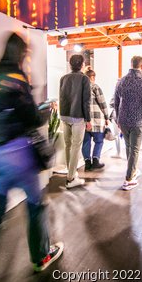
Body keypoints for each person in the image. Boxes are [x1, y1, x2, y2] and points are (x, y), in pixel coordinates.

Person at [0, 33, 63, 282]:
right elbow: (32, 119)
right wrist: (46, 107)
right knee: (36, 204)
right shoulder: (17, 79)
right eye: (26, 53)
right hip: (18, 153)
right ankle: (41, 256)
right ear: (20, 53)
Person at [114, 55, 142, 191]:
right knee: (135, 150)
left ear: (131, 64)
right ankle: (128, 179)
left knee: (129, 148)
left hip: (123, 121)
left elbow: (116, 102)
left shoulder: (121, 82)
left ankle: (133, 170)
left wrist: (118, 119)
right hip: (138, 121)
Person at [59, 54, 92, 188]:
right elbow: (86, 101)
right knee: (76, 146)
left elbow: (62, 97)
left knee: (68, 145)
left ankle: (71, 173)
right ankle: (71, 178)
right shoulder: (84, 79)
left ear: (70, 65)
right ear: (82, 65)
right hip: (77, 116)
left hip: (64, 115)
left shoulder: (63, 78)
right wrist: (88, 120)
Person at [82, 69, 109, 170]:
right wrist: (107, 117)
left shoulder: (81, 88)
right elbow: (102, 103)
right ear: (93, 77)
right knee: (99, 141)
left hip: (85, 121)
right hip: (97, 120)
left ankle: (87, 163)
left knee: (86, 142)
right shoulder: (95, 87)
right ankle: (96, 161)